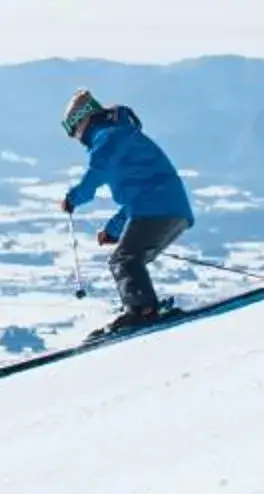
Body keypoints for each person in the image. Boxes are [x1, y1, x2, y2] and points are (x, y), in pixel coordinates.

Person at [58, 90, 195, 333]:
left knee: (123, 259)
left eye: (73, 129)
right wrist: (113, 230)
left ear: (84, 119)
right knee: (131, 258)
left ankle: (142, 310)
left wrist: (72, 198)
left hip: (159, 209)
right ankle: (144, 307)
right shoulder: (119, 137)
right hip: (169, 209)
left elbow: (94, 176)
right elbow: (136, 199)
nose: (75, 137)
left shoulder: (107, 140)